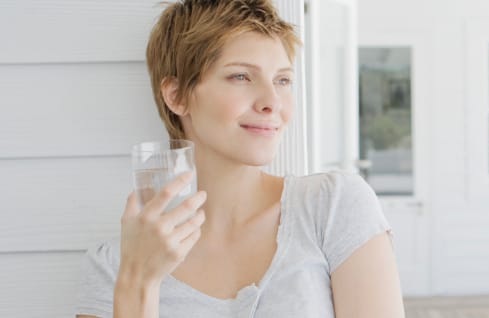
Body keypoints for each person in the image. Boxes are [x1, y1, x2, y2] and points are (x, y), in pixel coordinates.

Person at [74, 0, 405, 317]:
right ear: (176, 95)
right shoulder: (116, 266)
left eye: (282, 80)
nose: (272, 101)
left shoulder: (332, 207)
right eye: (241, 76)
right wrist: (140, 282)